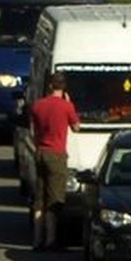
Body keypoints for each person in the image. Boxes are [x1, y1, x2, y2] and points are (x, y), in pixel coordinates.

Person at [28, 72, 79, 250]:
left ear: (50, 86)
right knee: (55, 199)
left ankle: (36, 239)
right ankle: (51, 239)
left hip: (40, 152)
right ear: (63, 87)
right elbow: (76, 127)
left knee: (39, 199)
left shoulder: (37, 105)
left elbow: (32, 130)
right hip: (56, 154)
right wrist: (70, 104)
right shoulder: (66, 106)